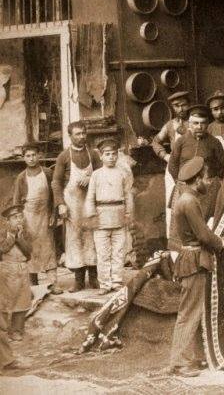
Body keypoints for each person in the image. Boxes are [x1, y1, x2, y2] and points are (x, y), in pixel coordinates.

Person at [169, 157, 224, 377]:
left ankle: (193, 357)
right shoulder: (189, 202)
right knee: (189, 313)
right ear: (196, 179)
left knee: (197, 310)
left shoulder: (186, 199)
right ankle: (178, 363)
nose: (209, 183)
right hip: (194, 260)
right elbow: (203, 235)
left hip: (192, 258)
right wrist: (223, 243)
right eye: (206, 179)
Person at [51, 121, 100, 292]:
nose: (82, 137)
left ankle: (94, 278)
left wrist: (91, 178)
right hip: (72, 204)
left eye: (83, 133)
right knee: (73, 240)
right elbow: (56, 182)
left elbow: (102, 175)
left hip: (89, 202)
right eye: (78, 134)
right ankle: (78, 280)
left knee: (91, 238)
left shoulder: (93, 154)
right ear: (70, 136)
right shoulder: (64, 156)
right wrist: (60, 204)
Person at [84, 138, 134, 294]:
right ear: (101, 156)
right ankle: (105, 283)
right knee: (103, 253)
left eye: (114, 154)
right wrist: (92, 216)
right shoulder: (96, 175)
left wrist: (128, 214)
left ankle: (117, 281)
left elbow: (128, 195)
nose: (111, 157)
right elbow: (90, 197)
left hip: (118, 215)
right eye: (107, 154)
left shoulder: (122, 174)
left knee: (118, 251)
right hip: (101, 216)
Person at [12, 143, 59, 293]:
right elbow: (17, 201)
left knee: (48, 247)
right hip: (28, 217)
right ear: (24, 158)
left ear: (39, 156)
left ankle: (53, 283)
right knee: (30, 249)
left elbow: (54, 196)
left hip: (45, 215)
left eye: (34, 155)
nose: (31, 159)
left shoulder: (47, 173)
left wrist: (54, 214)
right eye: (28, 156)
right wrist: (18, 221)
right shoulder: (21, 177)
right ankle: (34, 284)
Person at [168, 105, 224, 220]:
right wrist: (182, 183)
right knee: (183, 223)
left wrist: (211, 184)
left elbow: (222, 167)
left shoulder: (215, 143)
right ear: (189, 124)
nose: (199, 127)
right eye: (195, 123)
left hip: (206, 192)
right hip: (184, 189)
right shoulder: (180, 142)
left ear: (208, 124)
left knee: (203, 224)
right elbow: (172, 165)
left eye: (203, 123)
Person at [152, 90, 191, 227]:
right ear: (172, 107)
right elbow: (155, 141)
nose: (180, 109)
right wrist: (165, 155)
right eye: (176, 106)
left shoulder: (195, 121)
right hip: (174, 168)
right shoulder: (169, 125)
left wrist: (181, 130)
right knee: (174, 201)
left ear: (189, 105)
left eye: (184, 105)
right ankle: (174, 237)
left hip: (193, 167)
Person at [0, 202, 32, 343]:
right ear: (7, 220)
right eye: (15, 217)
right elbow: (2, 250)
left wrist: (20, 238)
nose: (19, 220)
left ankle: (17, 331)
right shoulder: (2, 233)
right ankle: (3, 331)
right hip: (7, 269)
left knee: (22, 300)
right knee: (6, 302)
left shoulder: (24, 232)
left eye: (20, 217)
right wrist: (12, 236)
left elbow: (29, 252)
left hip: (22, 268)